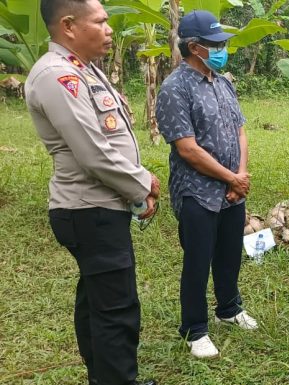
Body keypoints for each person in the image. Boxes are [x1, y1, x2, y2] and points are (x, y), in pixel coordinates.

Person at [25, 1, 158, 384]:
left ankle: (103, 377)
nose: (109, 28)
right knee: (116, 308)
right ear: (69, 25)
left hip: (97, 207)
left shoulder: (83, 70)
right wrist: (142, 185)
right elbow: (93, 153)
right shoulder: (57, 75)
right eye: (100, 21)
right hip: (90, 210)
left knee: (97, 299)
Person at [155, 10, 257, 358]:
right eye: (215, 44)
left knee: (229, 254)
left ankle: (228, 308)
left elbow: (240, 132)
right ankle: (194, 328)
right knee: (198, 262)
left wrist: (240, 176)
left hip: (232, 189)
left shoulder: (223, 83)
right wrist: (231, 178)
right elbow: (187, 148)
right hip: (197, 192)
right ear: (194, 47)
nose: (222, 48)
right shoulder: (175, 89)